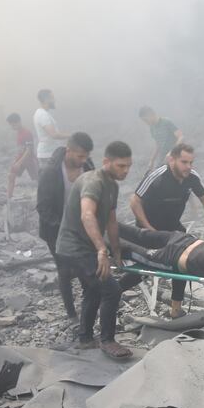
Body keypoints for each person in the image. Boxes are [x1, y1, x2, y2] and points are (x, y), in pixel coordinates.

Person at [55, 141, 133, 358]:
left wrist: (115, 250)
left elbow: (111, 221)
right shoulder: (93, 181)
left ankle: (86, 338)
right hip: (74, 248)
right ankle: (108, 340)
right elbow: (87, 215)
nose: (125, 171)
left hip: (85, 247)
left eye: (128, 166)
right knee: (112, 289)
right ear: (106, 161)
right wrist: (102, 250)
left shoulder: (112, 186)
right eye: (120, 166)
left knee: (94, 289)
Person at [129, 143, 204, 319]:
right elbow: (135, 201)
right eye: (184, 162)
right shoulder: (157, 176)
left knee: (181, 264)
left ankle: (176, 309)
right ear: (171, 160)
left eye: (191, 162)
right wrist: (147, 228)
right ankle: (114, 292)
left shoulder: (191, 177)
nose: (188, 167)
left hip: (172, 227)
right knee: (145, 269)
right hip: (149, 228)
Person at [36, 132, 95, 319]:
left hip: (82, 228)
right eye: (80, 156)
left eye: (86, 156)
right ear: (69, 151)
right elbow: (43, 208)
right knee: (64, 269)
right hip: (55, 230)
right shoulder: (51, 172)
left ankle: (90, 307)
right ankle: (71, 313)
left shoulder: (87, 167)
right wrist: (62, 227)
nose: (83, 160)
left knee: (86, 266)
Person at [33, 89, 70, 169]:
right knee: (51, 180)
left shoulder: (42, 113)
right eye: (52, 98)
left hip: (50, 153)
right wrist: (71, 136)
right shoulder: (43, 115)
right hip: (48, 154)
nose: (54, 100)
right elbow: (54, 134)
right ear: (46, 100)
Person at [138, 106, 183, 172]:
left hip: (174, 156)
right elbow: (158, 144)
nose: (145, 123)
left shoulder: (166, 122)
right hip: (163, 158)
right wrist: (152, 160)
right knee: (158, 175)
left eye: (145, 120)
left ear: (151, 114)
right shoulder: (152, 128)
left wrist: (171, 153)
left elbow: (181, 137)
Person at [5, 113, 38, 199]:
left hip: (29, 160)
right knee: (11, 175)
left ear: (19, 122)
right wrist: (16, 159)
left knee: (38, 179)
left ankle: (44, 196)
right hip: (20, 159)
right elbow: (21, 149)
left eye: (13, 124)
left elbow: (28, 150)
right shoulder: (18, 133)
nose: (12, 126)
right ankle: (9, 198)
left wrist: (19, 162)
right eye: (11, 124)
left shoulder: (26, 133)